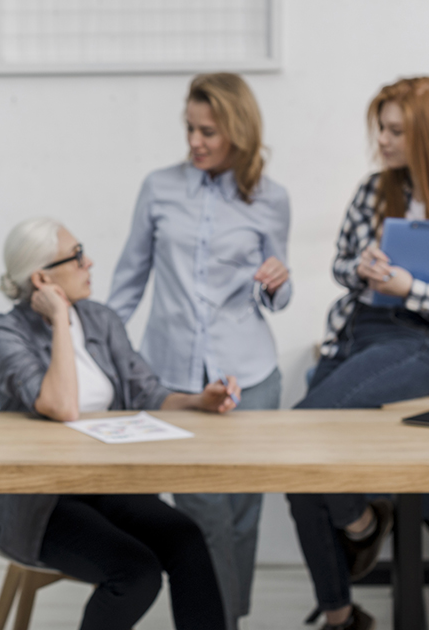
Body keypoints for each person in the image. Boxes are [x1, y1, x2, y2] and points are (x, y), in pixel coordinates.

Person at [286, 76, 429, 630]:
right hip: (358, 329)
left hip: (417, 341)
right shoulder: (373, 191)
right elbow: (340, 262)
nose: (380, 142)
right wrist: (359, 268)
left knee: (303, 430)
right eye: (380, 128)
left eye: (393, 131)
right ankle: (343, 611)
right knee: (295, 464)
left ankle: (362, 521)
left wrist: (414, 289)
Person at [0, 217, 240, 630]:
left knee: (187, 538)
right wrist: (60, 319)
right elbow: (61, 405)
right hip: (37, 501)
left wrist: (198, 400)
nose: (90, 263)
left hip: (103, 485)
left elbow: (146, 392)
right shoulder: (3, 335)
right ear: (42, 277)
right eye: (78, 257)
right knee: (136, 575)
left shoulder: (101, 320)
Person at [107, 72, 291, 629]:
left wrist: (278, 283)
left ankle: (226, 615)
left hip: (251, 373)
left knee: (241, 511)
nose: (195, 142)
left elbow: (277, 294)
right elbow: (129, 278)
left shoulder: (271, 198)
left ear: (238, 130)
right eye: (190, 128)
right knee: (202, 508)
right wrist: (106, 353)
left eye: (207, 130)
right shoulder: (159, 188)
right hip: (175, 381)